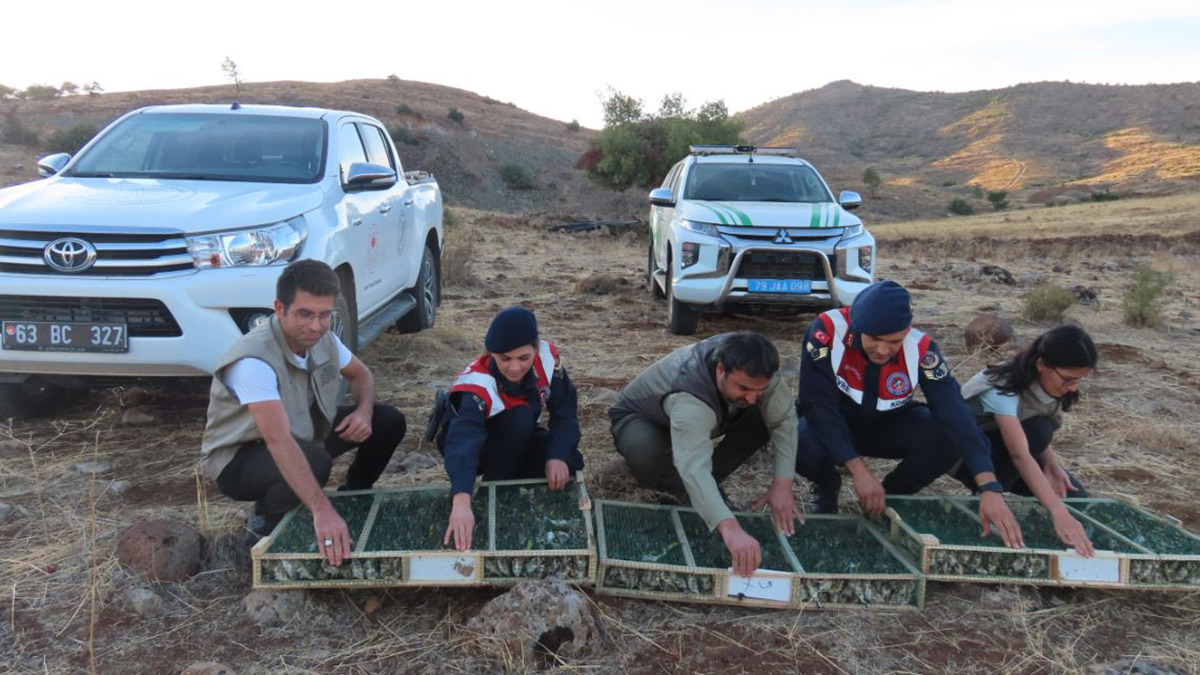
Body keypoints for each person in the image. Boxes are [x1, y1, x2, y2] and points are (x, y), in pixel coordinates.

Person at [199, 260, 406, 566]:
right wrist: (322, 511)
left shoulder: (324, 338)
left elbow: (361, 375)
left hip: (304, 432)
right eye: (305, 314)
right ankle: (268, 526)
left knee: (387, 421)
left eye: (325, 315)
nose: (315, 325)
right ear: (279, 308)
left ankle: (353, 498)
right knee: (314, 462)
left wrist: (363, 412)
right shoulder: (253, 361)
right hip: (239, 457)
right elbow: (279, 441)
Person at [795, 280, 1024, 548]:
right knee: (799, 439)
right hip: (833, 423)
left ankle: (891, 497)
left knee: (946, 436)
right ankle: (826, 486)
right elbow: (817, 405)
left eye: (893, 341)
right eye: (874, 339)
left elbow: (954, 413)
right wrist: (858, 470)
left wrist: (989, 486)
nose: (883, 350)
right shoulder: (827, 330)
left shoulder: (923, 349)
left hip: (886, 424)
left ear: (907, 330)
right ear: (857, 326)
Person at [609, 331, 803, 577]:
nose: (752, 398)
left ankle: (704, 491)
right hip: (643, 419)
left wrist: (783, 484)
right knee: (646, 456)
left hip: (708, 416)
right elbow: (693, 466)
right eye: (743, 387)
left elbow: (785, 421)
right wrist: (729, 527)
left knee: (763, 417)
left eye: (759, 390)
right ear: (721, 369)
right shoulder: (691, 395)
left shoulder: (758, 366)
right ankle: (687, 492)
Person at [436, 306, 583, 550]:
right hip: (477, 447)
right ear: (491, 354)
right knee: (521, 419)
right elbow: (463, 438)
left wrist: (557, 455)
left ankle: (520, 494)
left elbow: (565, 409)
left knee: (571, 461)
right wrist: (461, 497)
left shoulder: (547, 359)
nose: (514, 368)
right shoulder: (476, 382)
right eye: (504, 359)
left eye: (523, 358)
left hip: (520, 435)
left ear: (535, 349)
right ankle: (493, 495)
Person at [958, 324, 1099, 554]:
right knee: (1040, 435)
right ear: (1042, 365)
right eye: (1068, 379)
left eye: (1078, 381)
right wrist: (1057, 513)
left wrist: (1052, 466)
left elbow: (1031, 429)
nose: (1072, 388)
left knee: (1074, 498)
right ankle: (984, 505)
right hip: (968, 458)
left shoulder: (1048, 383)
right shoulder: (1002, 386)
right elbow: (1020, 452)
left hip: (1007, 455)